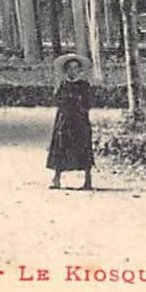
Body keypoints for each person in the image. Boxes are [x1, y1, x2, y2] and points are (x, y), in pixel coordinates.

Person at [47, 54, 94, 190]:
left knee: (83, 146)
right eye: (70, 68)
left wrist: (80, 106)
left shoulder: (84, 85)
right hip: (64, 119)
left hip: (79, 120)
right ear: (66, 70)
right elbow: (57, 100)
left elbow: (89, 102)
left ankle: (88, 180)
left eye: (75, 68)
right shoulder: (63, 84)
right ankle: (56, 178)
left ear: (79, 70)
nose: (73, 71)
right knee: (60, 146)